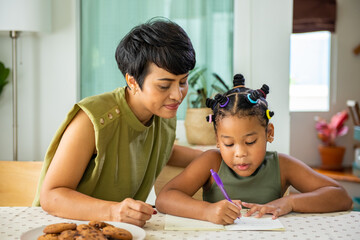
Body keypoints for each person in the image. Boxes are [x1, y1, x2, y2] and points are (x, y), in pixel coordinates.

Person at [32, 18, 202, 227]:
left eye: (183, 82)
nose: (177, 95)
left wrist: (219, 156)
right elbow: (52, 196)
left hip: (114, 229)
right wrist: (113, 211)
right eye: (164, 86)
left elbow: (161, 150)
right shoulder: (93, 119)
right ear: (132, 81)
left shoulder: (162, 115)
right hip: (62, 227)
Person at [155, 74, 353, 225]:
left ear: (269, 133)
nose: (240, 153)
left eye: (250, 142)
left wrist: (290, 202)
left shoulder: (282, 165)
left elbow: (341, 196)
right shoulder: (212, 162)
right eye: (229, 144)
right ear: (217, 139)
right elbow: (165, 198)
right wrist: (207, 211)